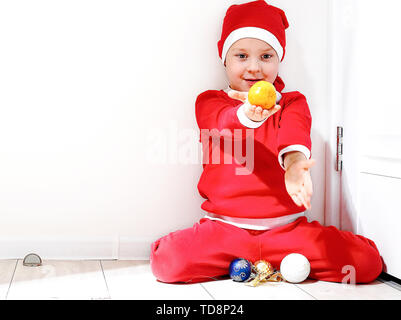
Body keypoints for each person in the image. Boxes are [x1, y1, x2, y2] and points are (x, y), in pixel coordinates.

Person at [150, 0, 383, 284]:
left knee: (367, 263)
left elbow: (294, 135)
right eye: (241, 55)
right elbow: (224, 123)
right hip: (225, 231)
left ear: (279, 59)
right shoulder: (210, 102)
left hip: (287, 232)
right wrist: (247, 114)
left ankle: (263, 263)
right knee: (167, 263)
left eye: (266, 57)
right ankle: (255, 262)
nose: (254, 68)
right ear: (224, 58)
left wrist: (295, 165)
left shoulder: (293, 103)